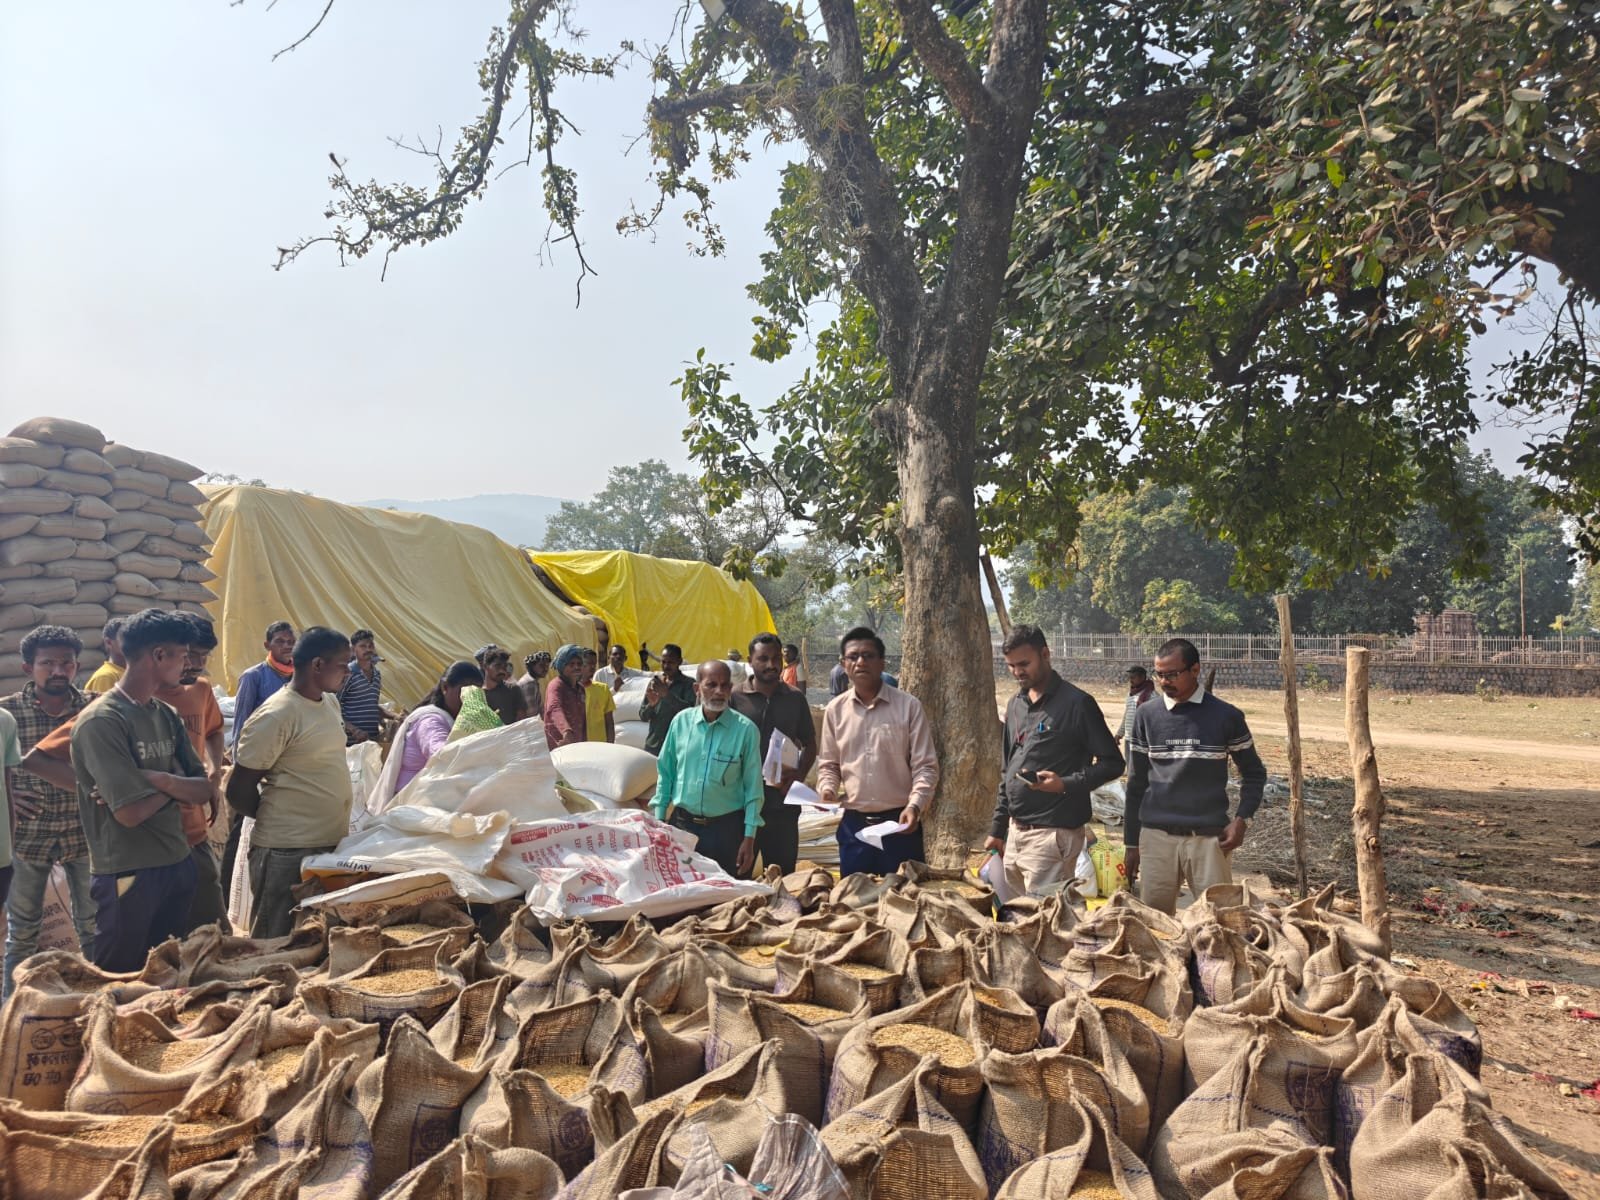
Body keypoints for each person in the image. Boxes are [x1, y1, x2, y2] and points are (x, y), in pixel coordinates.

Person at [69, 609, 212, 972]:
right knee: (121, 981)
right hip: (129, 872)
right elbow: (129, 814)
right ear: (159, 655)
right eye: (183, 655)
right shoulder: (103, 721)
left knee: (166, 977)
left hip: (177, 861)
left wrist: (157, 780)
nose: (188, 664)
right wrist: (174, 781)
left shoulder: (164, 714)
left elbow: (203, 790)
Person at [1124, 637, 1268, 915]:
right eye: (1160, 674)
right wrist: (1131, 842)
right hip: (1156, 839)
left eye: (1172, 674)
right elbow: (1136, 783)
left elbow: (1254, 773)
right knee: (1154, 925)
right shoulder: (1146, 715)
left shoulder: (1226, 716)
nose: (1164, 682)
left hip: (1209, 841)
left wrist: (1242, 820)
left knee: (1220, 925)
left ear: (1195, 670)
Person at [228, 627, 353, 938]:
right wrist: (284, 816)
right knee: (275, 941)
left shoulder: (329, 703)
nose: (348, 673)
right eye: (343, 664)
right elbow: (238, 789)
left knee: (313, 942)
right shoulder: (277, 714)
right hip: (285, 851)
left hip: (326, 844)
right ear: (318, 665)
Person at [983, 625, 1124, 896]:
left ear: (1045, 654)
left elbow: (1113, 763)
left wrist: (1065, 784)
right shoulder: (1015, 704)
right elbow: (1008, 770)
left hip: (1053, 836)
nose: (1017, 672)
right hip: (1015, 835)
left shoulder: (1078, 704)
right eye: (1011, 666)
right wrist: (998, 829)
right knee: (1014, 920)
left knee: (1049, 925)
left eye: (1024, 664)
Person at [1, 626, 94, 998]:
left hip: (84, 832)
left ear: (77, 666)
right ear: (28, 667)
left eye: (66, 663)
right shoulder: (8, 713)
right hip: (27, 838)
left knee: (93, 926)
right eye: (48, 663)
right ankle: (12, 1008)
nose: (58, 671)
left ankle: (94, 999)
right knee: (22, 932)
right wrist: (10, 797)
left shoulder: (94, 708)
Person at [817, 627, 939, 876]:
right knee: (854, 905)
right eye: (853, 657)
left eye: (869, 655)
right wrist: (827, 788)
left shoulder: (909, 707)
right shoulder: (835, 710)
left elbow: (925, 766)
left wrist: (915, 806)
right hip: (854, 827)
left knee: (904, 903)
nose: (861, 662)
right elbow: (829, 764)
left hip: (900, 826)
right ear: (843, 664)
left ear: (882, 662)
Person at [652, 661, 763, 878]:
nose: (719, 692)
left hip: (726, 831)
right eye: (711, 685)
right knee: (682, 894)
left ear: (731, 689)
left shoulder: (745, 731)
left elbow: (753, 789)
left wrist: (749, 838)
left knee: (724, 901)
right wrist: (659, 822)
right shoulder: (680, 723)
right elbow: (665, 774)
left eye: (724, 686)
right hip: (684, 828)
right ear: (697, 689)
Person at [220, 620, 295, 902]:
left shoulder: (298, 678)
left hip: (285, 771)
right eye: (280, 641)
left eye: (290, 641)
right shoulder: (254, 677)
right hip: (256, 769)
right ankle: (228, 894)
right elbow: (240, 727)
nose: (287, 646)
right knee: (241, 830)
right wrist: (244, 772)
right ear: (267, 645)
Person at [731, 633, 817, 874]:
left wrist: (797, 776)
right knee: (739, 876)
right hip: (741, 805)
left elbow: (811, 744)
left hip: (782, 806)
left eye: (776, 658)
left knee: (783, 877)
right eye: (763, 659)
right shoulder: (735, 698)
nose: (771, 665)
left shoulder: (795, 698)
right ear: (750, 661)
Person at [374, 660, 486, 806]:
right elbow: (441, 754)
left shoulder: (455, 719)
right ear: (445, 687)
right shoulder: (430, 720)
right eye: (464, 692)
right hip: (410, 805)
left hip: (427, 800)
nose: (469, 700)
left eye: (475, 694)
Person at [639, 643, 695, 756]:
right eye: (663, 662)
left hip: (678, 746)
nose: (666, 666)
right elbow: (643, 716)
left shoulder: (688, 684)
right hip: (654, 745)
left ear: (679, 662)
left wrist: (667, 695)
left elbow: (691, 713)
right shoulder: (655, 683)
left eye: (670, 662)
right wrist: (652, 705)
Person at [339, 629, 393, 744]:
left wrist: (396, 716)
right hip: (349, 743)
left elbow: (372, 706)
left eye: (371, 645)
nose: (368, 649)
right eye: (363, 646)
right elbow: (332, 707)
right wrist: (354, 730)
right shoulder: (347, 673)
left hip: (371, 742)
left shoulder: (377, 675)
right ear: (353, 650)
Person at [542, 644, 589, 750]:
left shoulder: (580, 689)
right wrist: (566, 731)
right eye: (571, 664)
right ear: (562, 666)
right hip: (559, 744)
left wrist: (585, 743)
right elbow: (554, 708)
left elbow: (582, 719)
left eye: (579, 664)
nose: (576, 667)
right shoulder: (556, 685)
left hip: (577, 745)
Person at [475, 644, 528, 727]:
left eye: (504, 667)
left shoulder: (513, 690)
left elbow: (522, 723)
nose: (502, 671)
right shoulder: (477, 696)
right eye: (497, 666)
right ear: (485, 667)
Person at [1114, 665, 1156, 756]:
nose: (1130, 680)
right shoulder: (1131, 695)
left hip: (1143, 740)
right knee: (1131, 767)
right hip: (1129, 738)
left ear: (1142, 677)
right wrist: (1120, 734)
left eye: (1133, 677)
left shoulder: (1152, 696)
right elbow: (1127, 716)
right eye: (1129, 677)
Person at [82, 618, 127, 695]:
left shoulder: (129, 673)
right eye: (125, 639)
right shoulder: (106, 677)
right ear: (108, 642)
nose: (133, 643)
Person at [582, 650, 616, 743]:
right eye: (589, 663)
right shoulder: (570, 690)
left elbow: (609, 722)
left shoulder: (603, 689)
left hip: (599, 745)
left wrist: (610, 745)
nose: (592, 667)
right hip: (578, 746)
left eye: (594, 663)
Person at [517, 651, 551, 719]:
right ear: (532, 666)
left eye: (547, 665)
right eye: (541, 665)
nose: (545, 669)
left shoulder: (531, 681)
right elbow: (532, 714)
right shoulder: (529, 683)